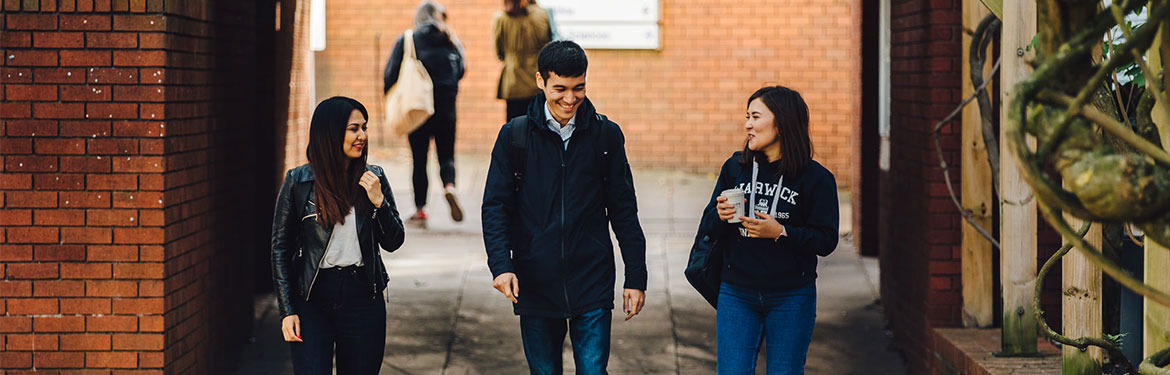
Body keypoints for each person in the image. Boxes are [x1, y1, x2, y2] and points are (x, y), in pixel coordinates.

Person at [481, 40, 647, 375]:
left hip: (592, 280)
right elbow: (495, 207)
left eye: (578, 88)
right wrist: (501, 266)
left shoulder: (605, 137)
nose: (570, 99)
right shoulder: (515, 136)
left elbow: (624, 210)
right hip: (535, 280)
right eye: (560, 88)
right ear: (540, 81)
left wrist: (636, 276)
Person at [700, 86, 839, 375]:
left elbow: (826, 240)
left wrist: (781, 232)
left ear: (782, 122)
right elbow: (708, 226)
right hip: (737, 292)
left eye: (755, 116)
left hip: (791, 295)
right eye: (747, 117)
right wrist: (720, 215)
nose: (747, 124)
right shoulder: (734, 168)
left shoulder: (817, 179)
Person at [270, 96, 406, 375]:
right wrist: (287, 310)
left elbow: (393, 242)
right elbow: (280, 249)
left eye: (364, 128)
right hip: (312, 299)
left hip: (363, 297)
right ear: (330, 133)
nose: (362, 136)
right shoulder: (299, 182)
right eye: (353, 128)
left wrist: (380, 203)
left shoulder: (373, 178)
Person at [384, 0, 465, 227]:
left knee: (419, 159)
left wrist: (391, 96)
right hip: (447, 107)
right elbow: (461, 70)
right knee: (446, 155)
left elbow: (390, 73)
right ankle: (449, 186)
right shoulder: (451, 39)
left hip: (418, 108)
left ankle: (420, 210)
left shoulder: (409, 39)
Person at [492, 0, 552, 121]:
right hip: (536, 80)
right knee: (538, 124)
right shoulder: (541, 14)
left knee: (514, 126)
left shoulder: (501, 18)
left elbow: (499, 51)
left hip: (513, 79)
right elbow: (548, 43)